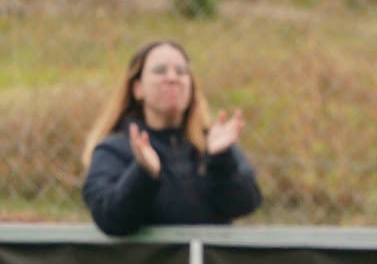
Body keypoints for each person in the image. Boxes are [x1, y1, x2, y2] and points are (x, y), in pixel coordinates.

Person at [81, 40, 260, 236]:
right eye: (160, 71)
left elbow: (245, 204)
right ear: (138, 88)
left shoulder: (211, 145)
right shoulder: (115, 150)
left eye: (181, 71)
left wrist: (221, 161)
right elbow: (110, 219)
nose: (172, 78)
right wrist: (144, 174)